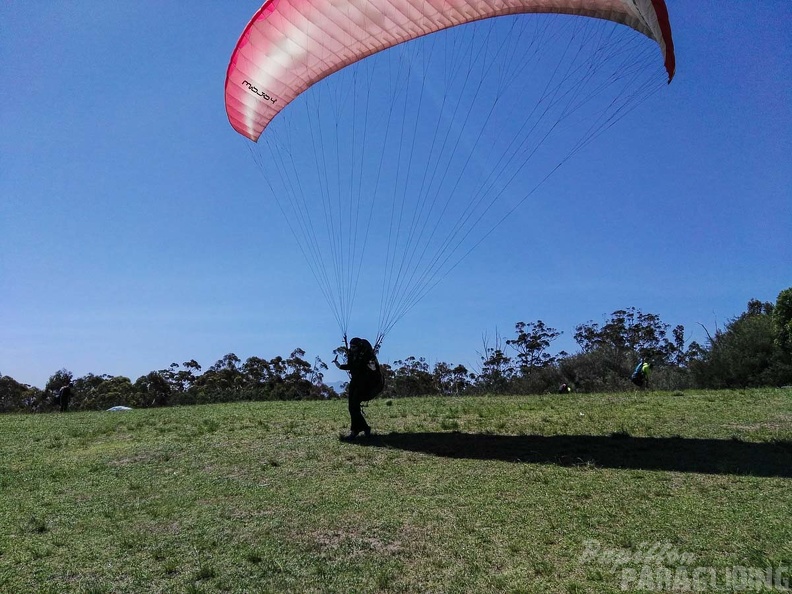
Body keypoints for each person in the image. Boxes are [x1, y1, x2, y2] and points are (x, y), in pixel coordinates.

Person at [333, 337, 384, 440]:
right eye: (351, 347)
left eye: (354, 347)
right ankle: (364, 428)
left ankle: (355, 431)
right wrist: (339, 366)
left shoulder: (367, 356)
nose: (352, 349)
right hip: (354, 382)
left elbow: (374, 370)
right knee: (352, 408)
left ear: (359, 347)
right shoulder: (352, 355)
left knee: (353, 407)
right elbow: (351, 366)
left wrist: (372, 366)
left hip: (363, 384)